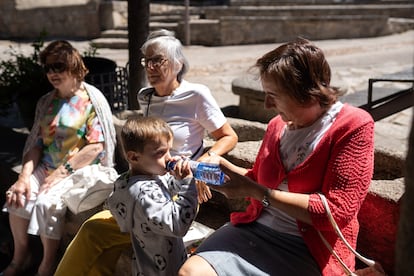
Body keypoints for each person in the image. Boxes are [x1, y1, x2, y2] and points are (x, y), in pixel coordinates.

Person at [178, 38, 375, 276]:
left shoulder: (353, 125)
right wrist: (225, 172)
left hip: (308, 248)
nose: (267, 103)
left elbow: (337, 212)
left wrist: (254, 191)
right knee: (190, 273)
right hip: (254, 229)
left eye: (273, 94)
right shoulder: (276, 126)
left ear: (305, 92)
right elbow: (258, 181)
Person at [54, 29, 238, 275]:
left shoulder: (196, 95)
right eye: (146, 61)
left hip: (177, 190)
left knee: (114, 233)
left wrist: (200, 168)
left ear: (177, 63)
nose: (150, 67)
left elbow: (229, 136)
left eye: (157, 60)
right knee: (92, 231)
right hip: (145, 186)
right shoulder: (146, 97)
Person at [1, 40, 116, 276]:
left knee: (46, 203)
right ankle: (21, 257)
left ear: (74, 67)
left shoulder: (91, 100)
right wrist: (23, 177)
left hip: (77, 170)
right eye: (48, 67)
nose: (53, 72)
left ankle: (47, 263)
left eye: (59, 66)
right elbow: (36, 144)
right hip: (46, 166)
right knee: (16, 196)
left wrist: (60, 173)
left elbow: (95, 147)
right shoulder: (47, 102)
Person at [107, 116, 198, 275]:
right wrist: (187, 185)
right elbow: (177, 224)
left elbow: (166, 186)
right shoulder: (145, 193)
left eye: (169, 150)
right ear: (134, 157)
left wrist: (177, 178)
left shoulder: (128, 181)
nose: (169, 157)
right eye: (161, 153)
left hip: (145, 264)